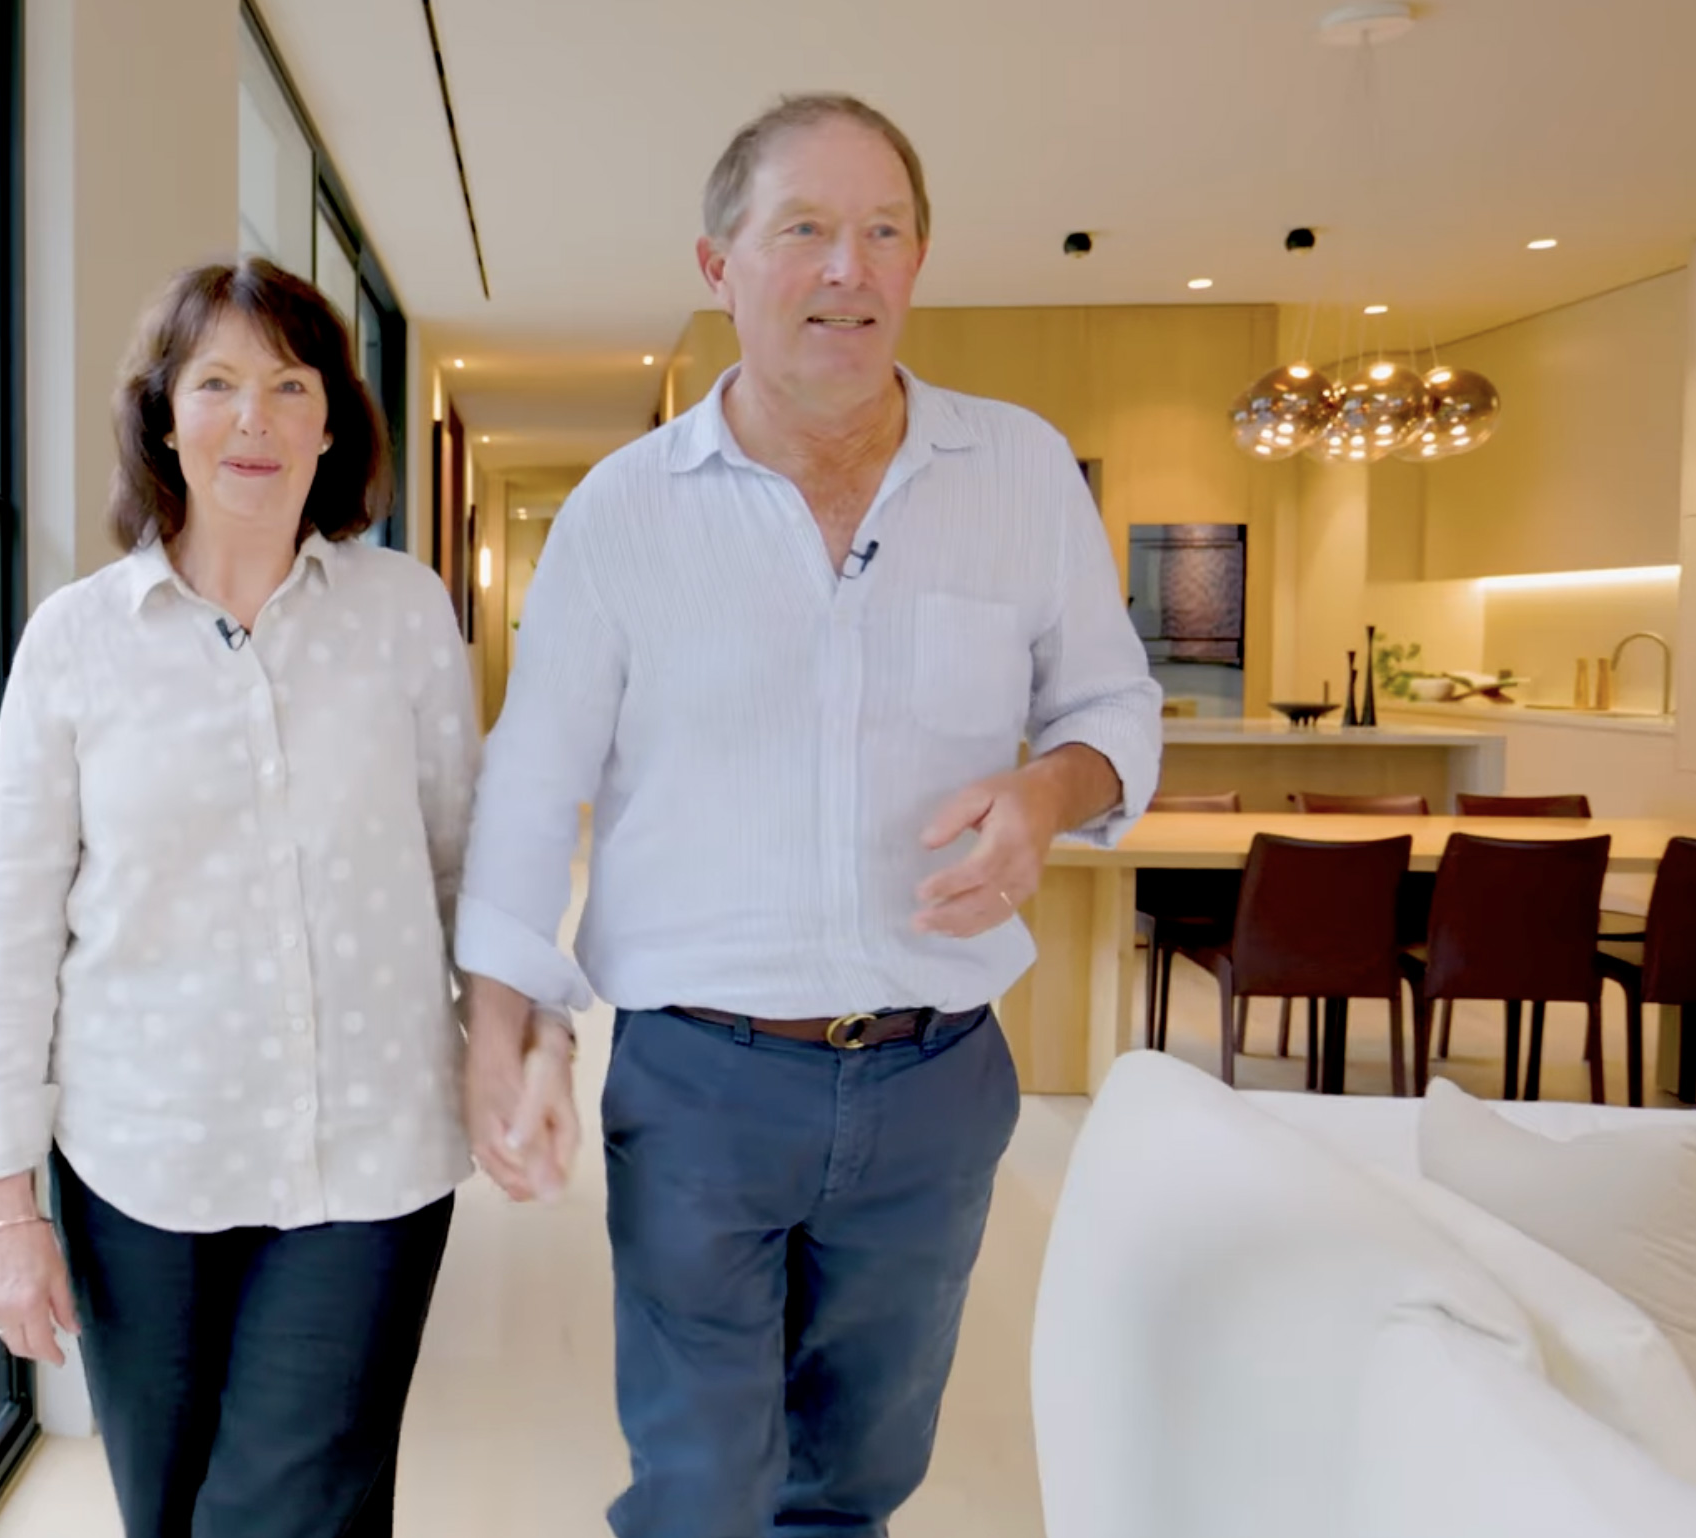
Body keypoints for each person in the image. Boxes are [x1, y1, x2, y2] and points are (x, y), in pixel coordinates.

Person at [455, 94, 1163, 1537]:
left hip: (935, 1076)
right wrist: (498, 1032)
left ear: (917, 262)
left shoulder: (1018, 470)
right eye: (805, 230)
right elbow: (531, 779)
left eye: (883, 231)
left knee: (855, 1481)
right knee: (700, 1485)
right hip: (700, 1083)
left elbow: (1113, 707)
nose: (849, 267)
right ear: (718, 266)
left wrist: (1049, 789)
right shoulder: (623, 510)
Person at [0, 257, 479, 1538]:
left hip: (370, 1155)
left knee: (280, 1508)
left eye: (290, 385)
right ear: (163, 415)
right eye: (218, 383)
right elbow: (10, 931)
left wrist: (521, 1040)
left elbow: (465, 865)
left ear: (332, 421)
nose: (255, 418)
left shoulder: (403, 615)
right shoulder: (77, 638)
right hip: (141, 1162)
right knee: (174, 1509)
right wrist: (3, 1205)